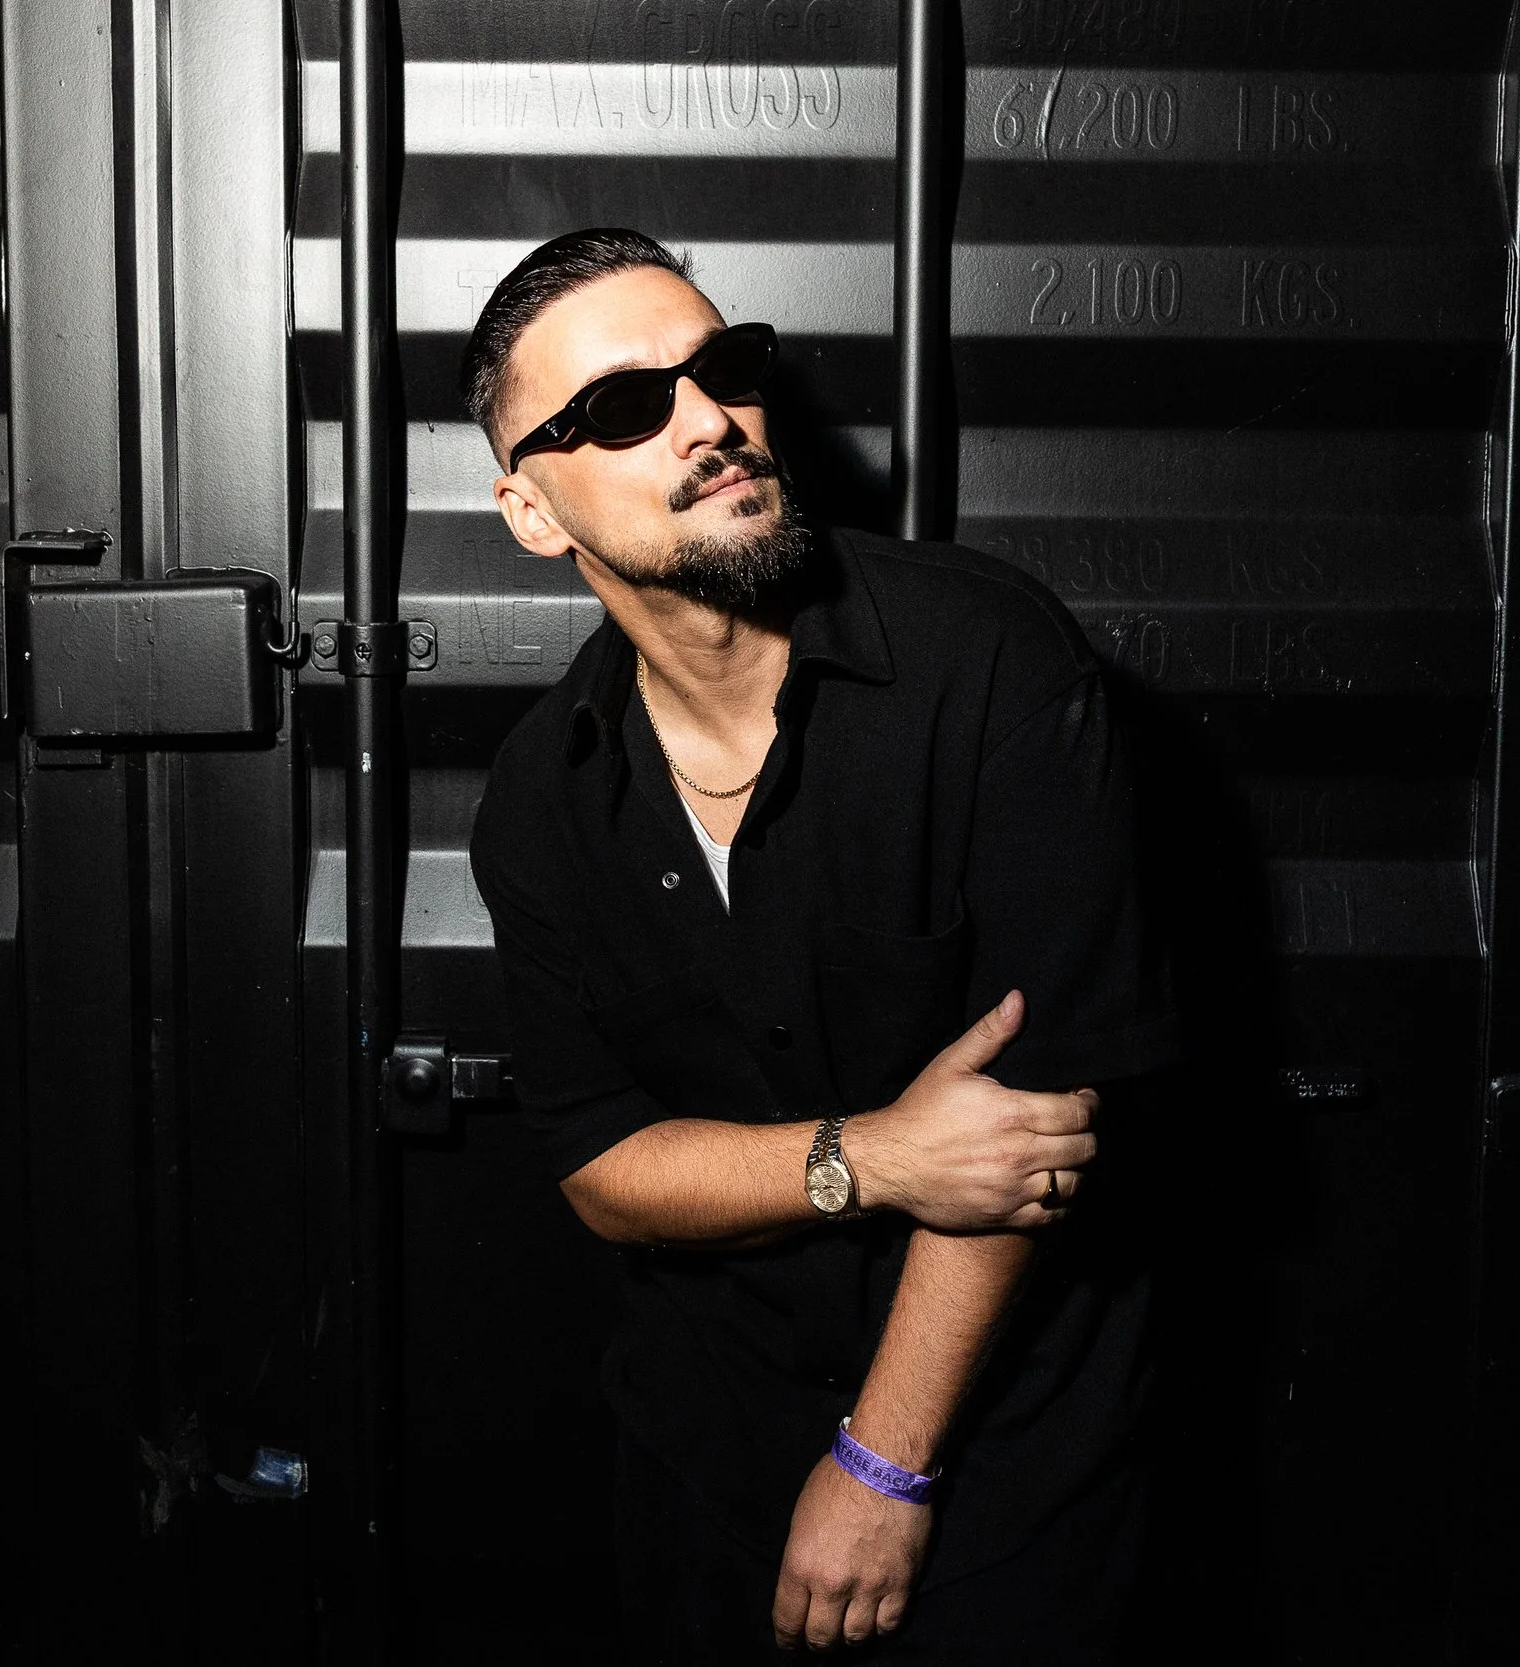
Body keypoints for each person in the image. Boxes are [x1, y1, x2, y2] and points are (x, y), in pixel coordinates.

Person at [462, 228, 1177, 1663]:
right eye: (622, 408)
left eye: (720, 369)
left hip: (1004, 1479)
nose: (709, 420)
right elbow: (605, 1168)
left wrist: (882, 1464)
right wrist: (879, 1154)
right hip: (704, 1476)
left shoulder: (986, 661)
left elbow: (1039, 1123)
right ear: (533, 512)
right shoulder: (542, 802)